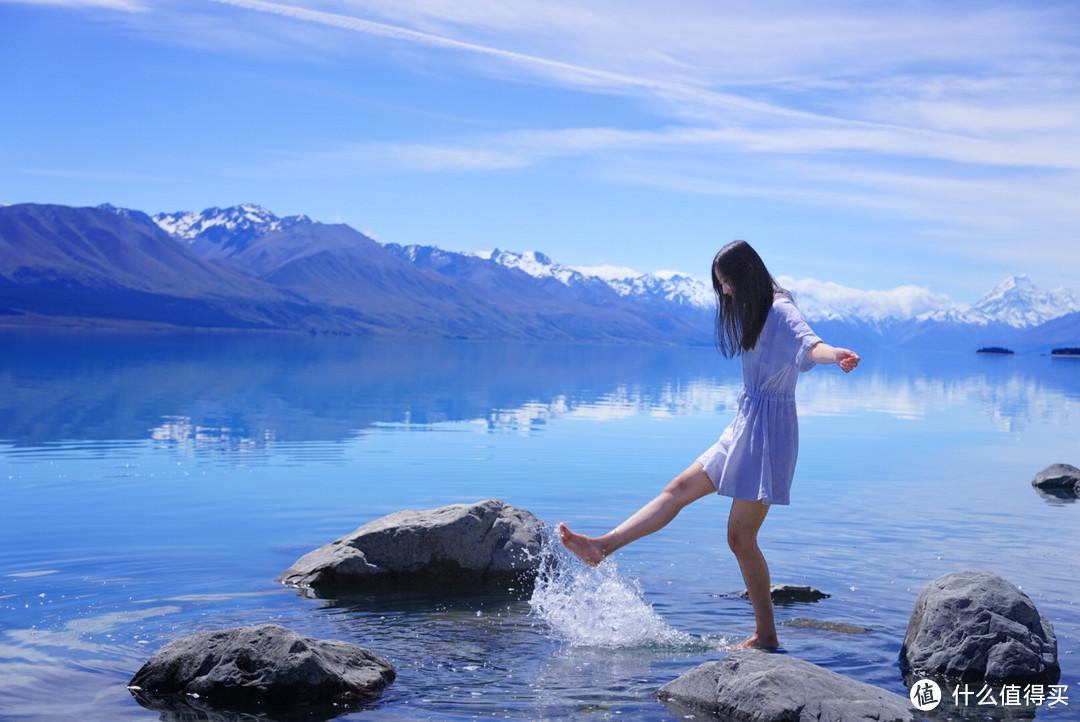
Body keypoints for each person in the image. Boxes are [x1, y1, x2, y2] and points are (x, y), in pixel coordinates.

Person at [558, 240, 860, 650]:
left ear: (746, 275)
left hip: (770, 434)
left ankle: (766, 636)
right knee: (678, 489)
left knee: (740, 537)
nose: (726, 293)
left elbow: (811, 345)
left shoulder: (781, 308)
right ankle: (601, 547)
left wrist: (836, 353)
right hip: (745, 424)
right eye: (721, 286)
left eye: (728, 283)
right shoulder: (754, 310)